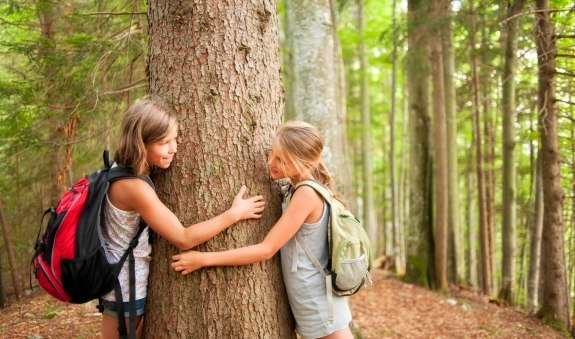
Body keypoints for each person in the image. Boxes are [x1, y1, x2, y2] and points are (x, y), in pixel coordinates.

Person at [100, 99, 265, 339]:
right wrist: (235, 214)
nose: (173, 148)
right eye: (164, 142)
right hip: (125, 289)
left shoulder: (120, 168)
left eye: (175, 139)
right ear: (141, 142)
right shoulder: (134, 187)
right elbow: (183, 238)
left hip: (120, 283)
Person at [171, 121, 353, 339]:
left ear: (306, 163)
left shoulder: (306, 194)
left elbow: (266, 249)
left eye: (282, 160)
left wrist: (203, 259)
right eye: (273, 154)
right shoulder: (297, 188)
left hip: (321, 308)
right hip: (311, 302)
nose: (271, 162)